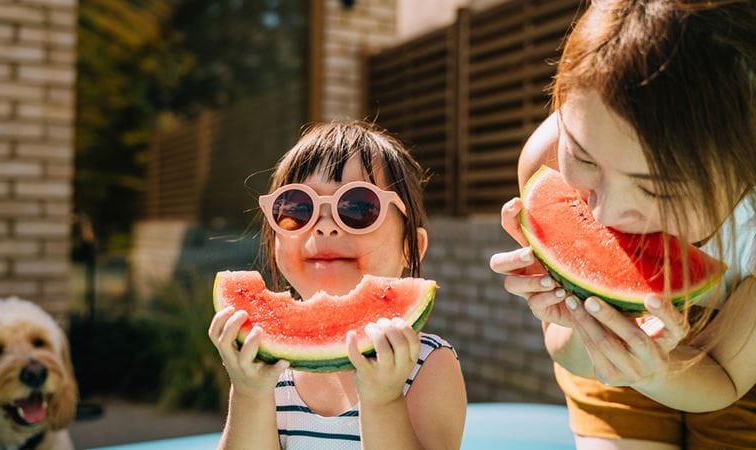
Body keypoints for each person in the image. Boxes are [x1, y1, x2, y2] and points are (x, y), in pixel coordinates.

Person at [489, 1, 756, 448]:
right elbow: (571, 355)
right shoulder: (546, 158)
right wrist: (578, 321)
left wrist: (660, 370)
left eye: (657, 191)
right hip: (614, 373)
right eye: (586, 158)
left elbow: (727, 378)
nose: (605, 216)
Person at [208, 121, 467, 449]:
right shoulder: (265, 359)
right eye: (298, 208)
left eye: (359, 208)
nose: (325, 227)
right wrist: (249, 393)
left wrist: (384, 400)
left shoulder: (429, 364)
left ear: (409, 246)